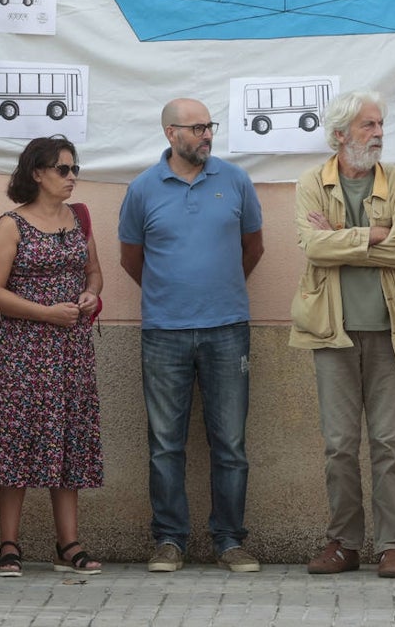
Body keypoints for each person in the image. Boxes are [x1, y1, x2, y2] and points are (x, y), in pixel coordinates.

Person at [289, 90, 395, 580]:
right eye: (368, 125)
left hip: (394, 329)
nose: (378, 133)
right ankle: (344, 543)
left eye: (380, 124)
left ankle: (391, 545)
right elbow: (311, 246)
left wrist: (342, 239)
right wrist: (372, 234)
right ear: (340, 135)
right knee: (338, 444)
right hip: (332, 331)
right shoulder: (312, 182)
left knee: (388, 442)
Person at [118, 99, 264, 573]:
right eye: (197, 127)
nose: (206, 134)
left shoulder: (235, 181)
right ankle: (169, 540)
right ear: (170, 134)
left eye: (209, 126)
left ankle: (230, 540)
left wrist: (216, 290)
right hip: (164, 332)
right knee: (165, 443)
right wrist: (172, 293)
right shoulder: (142, 189)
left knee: (232, 443)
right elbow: (131, 258)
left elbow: (253, 247)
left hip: (228, 330)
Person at [0, 136, 104, 578]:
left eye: (74, 168)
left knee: (69, 443)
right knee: (14, 444)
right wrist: (46, 313)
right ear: (37, 173)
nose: (72, 177)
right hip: (22, 352)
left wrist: (89, 295)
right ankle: (9, 545)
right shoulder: (11, 224)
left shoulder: (78, 219)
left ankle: (69, 543)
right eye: (62, 169)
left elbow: (95, 272)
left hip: (71, 351)